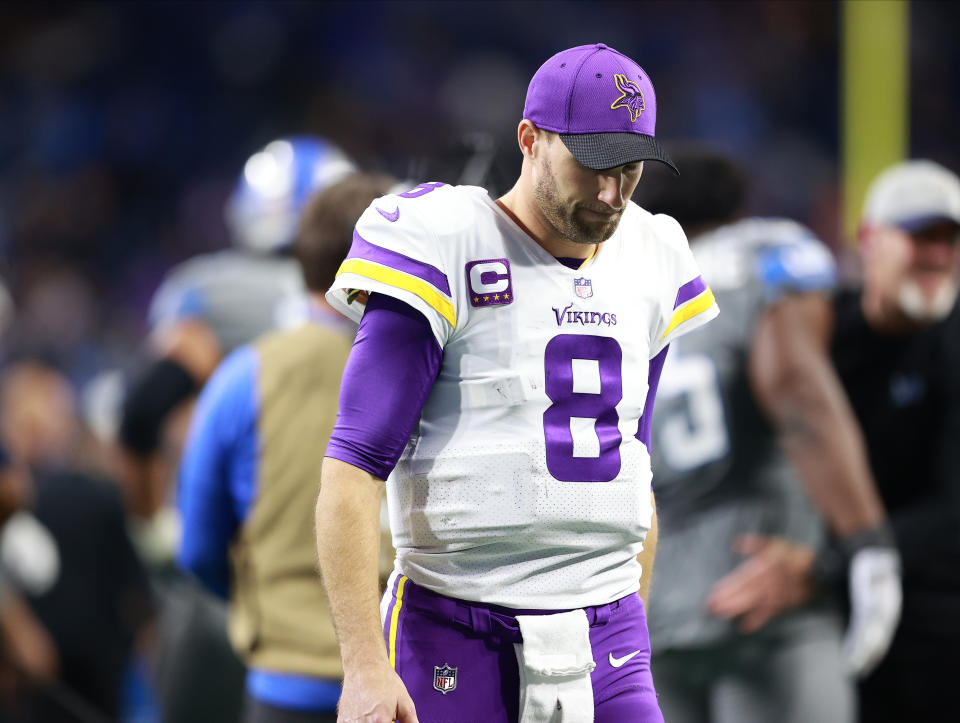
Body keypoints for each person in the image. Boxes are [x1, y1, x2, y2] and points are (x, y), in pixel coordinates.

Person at [315, 43, 719, 723]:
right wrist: (362, 664)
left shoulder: (655, 253)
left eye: (628, 169)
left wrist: (631, 624)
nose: (610, 193)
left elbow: (633, 465)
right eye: (591, 166)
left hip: (607, 624)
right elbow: (353, 468)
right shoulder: (445, 239)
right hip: (455, 624)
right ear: (530, 140)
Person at [632, 151, 901, 723]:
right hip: (764, 593)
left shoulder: (621, 284)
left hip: (650, 612)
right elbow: (798, 394)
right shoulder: (764, 256)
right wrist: (866, 545)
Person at [177, 171, 396, 723]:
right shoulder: (440, 372)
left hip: (286, 685)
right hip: (410, 682)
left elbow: (199, 548)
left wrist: (276, 609)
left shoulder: (244, 376)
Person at [829, 160, 960, 721]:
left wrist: (818, 563)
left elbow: (955, 512)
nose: (937, 255)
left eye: (950, 240)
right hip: (827, 609)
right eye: (920, 236)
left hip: (939, 616)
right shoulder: (822, 333)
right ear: (869, 240)